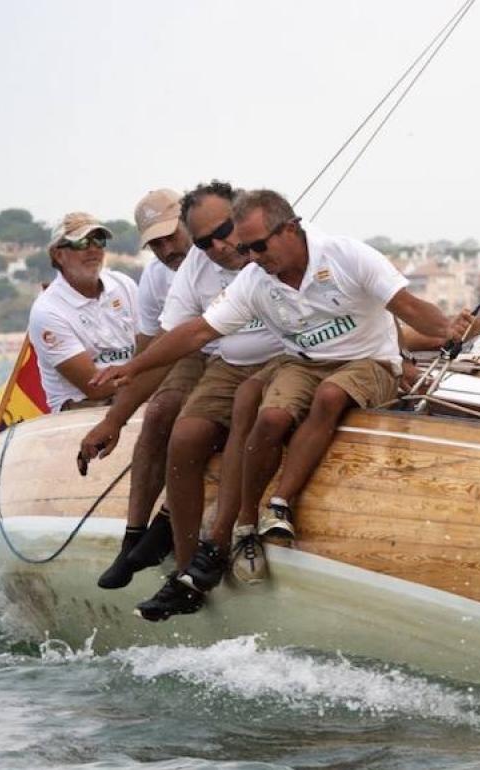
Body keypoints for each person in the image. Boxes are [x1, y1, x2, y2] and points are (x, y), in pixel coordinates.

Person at [91, 189, 476, 616]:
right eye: (242, 247)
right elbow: (198, 332)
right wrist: (135, 367)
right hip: (296, 364)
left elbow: (409, 309)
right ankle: (207, 554)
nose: (248, 255)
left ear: (290, 229)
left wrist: (454, 329)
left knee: (302, 396)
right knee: (249, 416)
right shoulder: (255, 278)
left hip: (354, 363)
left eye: (256, 245)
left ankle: (263, 514)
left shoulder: (347, 256)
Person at [130, 181, 285, 622]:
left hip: (285, 360)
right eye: (204, 241)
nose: (218, 246)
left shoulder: (275, 252)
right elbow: (185, 334)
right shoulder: (196, 267)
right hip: (228, 365)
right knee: (184, 435)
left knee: (248, 408)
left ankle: (215, 548)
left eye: (224, 231)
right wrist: (128, 380)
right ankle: (183, 572)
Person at [77, 190, 201, 590]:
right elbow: (150, 353)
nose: (167, 249)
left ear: (189, 222)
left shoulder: (224, 259)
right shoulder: (156, 276)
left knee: (195, 421)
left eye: (172, 236)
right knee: (161, 409)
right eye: (156, 243)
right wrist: (114, 419)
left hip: (237, 356)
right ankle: (133, 537)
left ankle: (166, 527)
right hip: (192, 355)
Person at [28, 212, 138, 413]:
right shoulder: (47, 311)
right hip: (82, 405)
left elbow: (147, 343)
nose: (93, 249)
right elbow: (93, 387)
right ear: (58, 255)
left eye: (99, 241)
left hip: (135, 390)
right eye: (81, 243)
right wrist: (148, 379)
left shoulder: (124, 285)